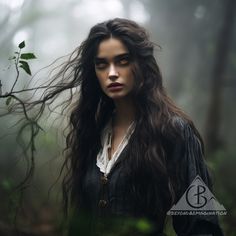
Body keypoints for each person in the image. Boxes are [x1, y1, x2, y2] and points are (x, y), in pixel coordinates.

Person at [53, 18, 224, 236]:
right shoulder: (94, 133)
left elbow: (200, 225)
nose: (112, 73)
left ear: (141, 64)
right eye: (102, 64)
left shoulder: (173, 131)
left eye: (122, 61)